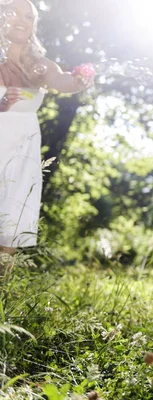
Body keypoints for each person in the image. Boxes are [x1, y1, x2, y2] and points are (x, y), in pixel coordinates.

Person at [0, 0, 94, 259]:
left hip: (21, 149)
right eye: (14, 13)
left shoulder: (37, 65)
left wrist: (78, 81)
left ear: (33, 25)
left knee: (10, 226)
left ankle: (3, 294)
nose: (22, 19)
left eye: (28, 16)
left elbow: (62, 81)